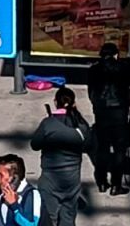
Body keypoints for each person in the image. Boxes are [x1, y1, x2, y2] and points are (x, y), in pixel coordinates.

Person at [30, 86, 91, 226]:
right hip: (72, 180)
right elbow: (88, 146)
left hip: (50, 179)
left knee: (48, 217)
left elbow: (35, 145)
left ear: (55, 102)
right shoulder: (81, 126)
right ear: (74, 103)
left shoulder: (48, 124)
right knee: (68, 217)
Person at [87, 42, 130, 196]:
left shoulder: (93, 70)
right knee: (119, 150)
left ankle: (102, 182)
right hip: (119, 113)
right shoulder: (124, 68)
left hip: (101, 112)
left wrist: (97, 104)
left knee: (103, 147)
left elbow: (91, 92)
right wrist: (128, 100)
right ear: (116, 54)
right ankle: (117, 184)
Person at [0, 153, 46, 226]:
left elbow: (31, 224)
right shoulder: (0, 193)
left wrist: (14, 205)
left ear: (15, 178)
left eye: (1, 175)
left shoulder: (32, 195)